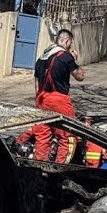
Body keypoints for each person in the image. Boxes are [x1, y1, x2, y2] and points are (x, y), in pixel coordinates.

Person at [32, 29, 85, 162]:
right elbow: (80, 77)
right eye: (70, 42)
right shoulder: (66, 57)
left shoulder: (41, 58)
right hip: (59, 100)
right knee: (67, 136)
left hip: (41, 99)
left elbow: (36, 85)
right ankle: (60, 167)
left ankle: (39, 166)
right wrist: (74, 60)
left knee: (43, 135)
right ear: (67, 41)